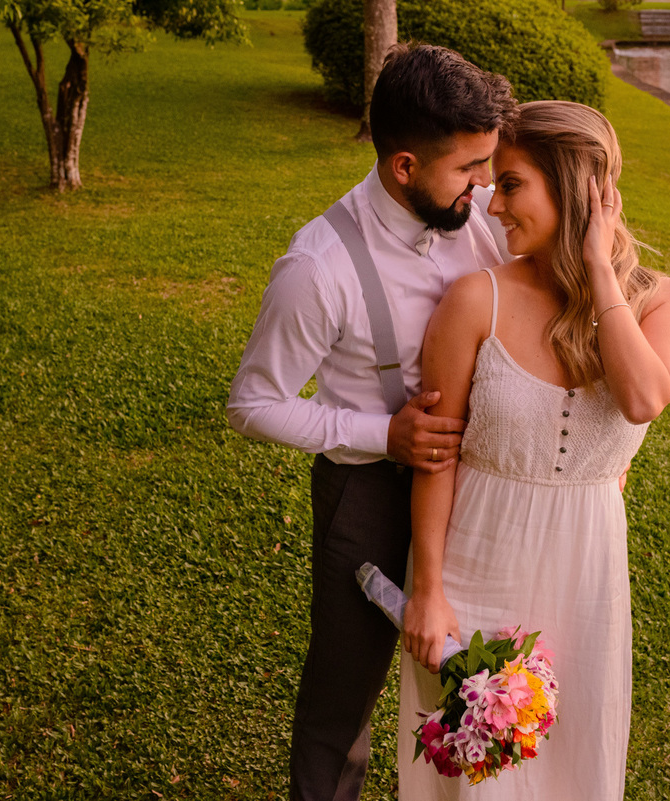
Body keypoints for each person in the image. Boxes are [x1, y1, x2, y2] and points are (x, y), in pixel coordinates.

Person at [226, 44, 518, 801]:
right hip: (368, 501)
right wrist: (378, 434)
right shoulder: (316, 268)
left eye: (488, 163)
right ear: (404, 167)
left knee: (488, 675)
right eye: (469, 168)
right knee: (341, 704)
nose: (486, 183)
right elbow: (252, 404)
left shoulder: (482, 213)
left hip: (483, 487)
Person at [398, 100, 670, 799]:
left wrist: (597, 267)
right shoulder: (475, 301)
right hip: (474, 568)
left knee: (570, 774)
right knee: (472, 782)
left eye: (511, 184)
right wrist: (430, 591)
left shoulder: (665, 303)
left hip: (583, 580)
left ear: (574, 187)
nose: (490, 205)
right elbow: (435, 458)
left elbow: (642, 398)